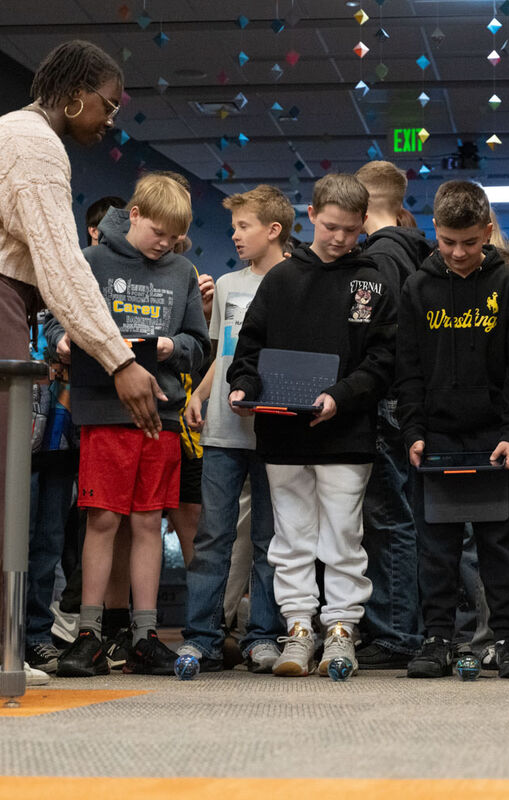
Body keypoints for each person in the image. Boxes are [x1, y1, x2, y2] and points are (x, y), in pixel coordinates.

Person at [0, 40, 165, 696]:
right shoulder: (35, 146)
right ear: (73, 96)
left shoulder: (10, 134)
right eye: (106, 104)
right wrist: (120, 358)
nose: (110, 118)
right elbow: (59, 260)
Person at [227, 173, 395, 678]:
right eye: (329, 227)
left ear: (363, 224)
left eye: (349, 229)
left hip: (346, 433)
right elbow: (249, 348)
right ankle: (299, 629)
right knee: (292, 536)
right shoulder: (280, 278)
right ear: (312, 217)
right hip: (283, 434)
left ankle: (342, 630)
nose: (339, 238)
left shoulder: (375, 279)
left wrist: (340, 397)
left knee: (344, 535)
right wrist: (243, 388)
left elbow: (385, 359)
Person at [49, 173, 209, 677]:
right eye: (157, 231)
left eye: (174, 237)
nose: (164, 244)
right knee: (101, 520)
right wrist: (63, 344)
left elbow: (197, 345)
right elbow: (58, 321)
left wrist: (169, 348)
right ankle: (90, 633)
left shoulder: (181, 271)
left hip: (160, 417)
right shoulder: (92, 260)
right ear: (134, 215)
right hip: (104, 411)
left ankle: (145, 635)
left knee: (148, 523)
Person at [397, 180, 509, 680]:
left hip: (494, 439)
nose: (458, 253)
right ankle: (437, 637)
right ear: (435, 232)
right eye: (447, 242)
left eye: (470, 242)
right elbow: (409, 369)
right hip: (435, 439)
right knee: (434, 548)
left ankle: (508, 639)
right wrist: (413, 429)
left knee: (499, 547)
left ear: (487, 231)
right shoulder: (418, 288)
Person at [178, 185, 293, 673]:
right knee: (212, 537)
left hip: (274, 433)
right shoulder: (226, 284)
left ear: (273, 230)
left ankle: (261, 636)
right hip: (224, 432)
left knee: (270, 540)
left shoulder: (295, 282)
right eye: (233, 228)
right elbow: (223, 354)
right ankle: (202, 636)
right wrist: (199, 395)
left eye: (243, 226)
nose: (235, 236)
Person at [353, 160, 432, 669]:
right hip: (411, 398)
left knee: (388, 519)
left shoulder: (378, 258)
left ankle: (396, 631)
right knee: (407, 516)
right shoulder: (420, 252)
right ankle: (406, 624)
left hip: (384, 399)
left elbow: (365, 333)